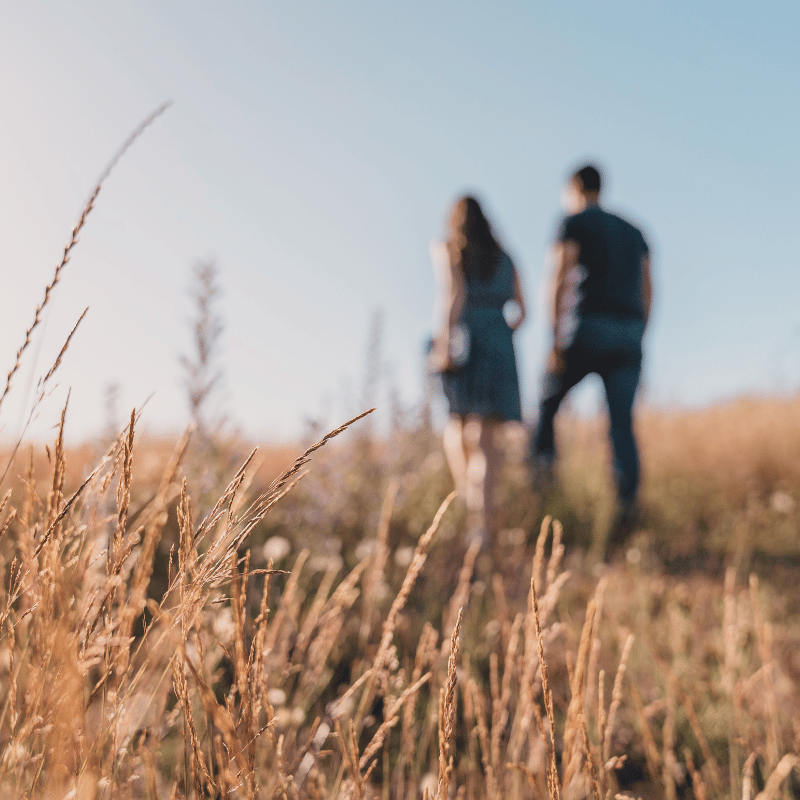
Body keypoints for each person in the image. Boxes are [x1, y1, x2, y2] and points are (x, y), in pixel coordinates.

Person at [531, 164, 653, 557]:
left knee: (547, 404)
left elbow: (558, 276)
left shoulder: (572, 221)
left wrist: (553, 339)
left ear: (574, 188)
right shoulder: (635, 231)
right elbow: (649, 287)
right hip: (629, 333)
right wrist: (639, 335)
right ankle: (627, 504)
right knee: (621, 424)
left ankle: (543, 487)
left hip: (588, 327)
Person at [430, 195, 526, 547]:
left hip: (465, 338)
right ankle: (485, 523)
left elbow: (451, 296)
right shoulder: (506, 257)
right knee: (488, 440)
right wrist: (500, 335)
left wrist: (443, 345)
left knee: (457, 424)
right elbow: (522, 309)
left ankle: (474, 519)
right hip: (500, 342)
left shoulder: (448, 248)